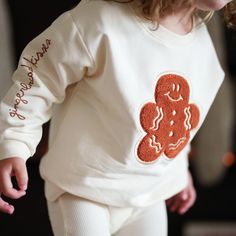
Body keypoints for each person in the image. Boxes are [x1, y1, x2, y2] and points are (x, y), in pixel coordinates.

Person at [0, 0, 235, 235]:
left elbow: (182, 120)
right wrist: (14, 143)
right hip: (83, 189)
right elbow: (38, 79)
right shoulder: (99, 21)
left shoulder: (203, 46)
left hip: (147, 198)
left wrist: (176, 172)